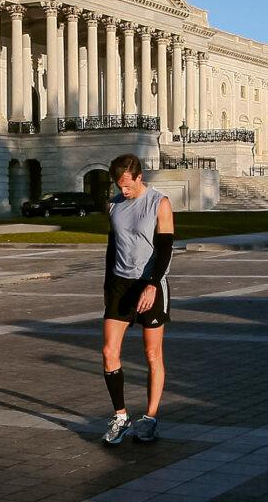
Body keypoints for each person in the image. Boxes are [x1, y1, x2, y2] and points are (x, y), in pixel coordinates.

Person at [100, 153, 174, 445]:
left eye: (127, 186)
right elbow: (111, 247)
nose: (123, 191)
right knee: (109, 352)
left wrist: (153, 284)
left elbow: (166, 248)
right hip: (120, 284)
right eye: (119, 186)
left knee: (152, 355)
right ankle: (120, 416)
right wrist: (107, 285)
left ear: (139, 177)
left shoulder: (160, 203)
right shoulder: (113, 205)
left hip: (150, 284)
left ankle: (150, 418)